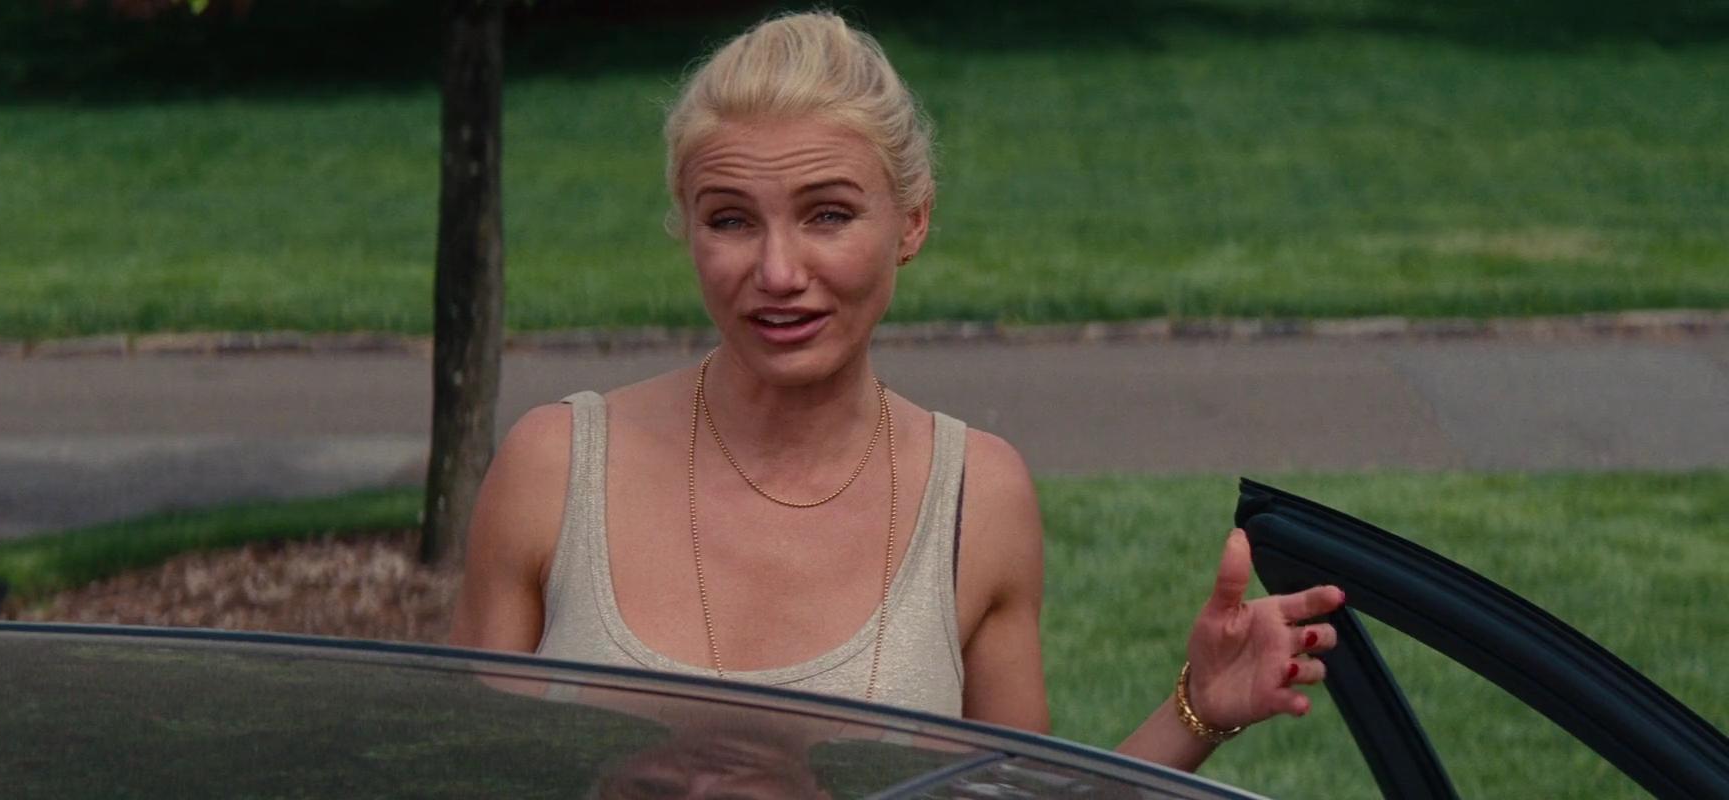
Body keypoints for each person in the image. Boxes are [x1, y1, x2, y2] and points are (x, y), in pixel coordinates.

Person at [448, 10, 1344, 773]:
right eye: (730, 220)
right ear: (686, 226)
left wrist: (1196, 712)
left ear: (912, 222)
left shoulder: (977, 498)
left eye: (828, 214)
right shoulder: (553, 469)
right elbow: (460, 773)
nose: (778, 271)